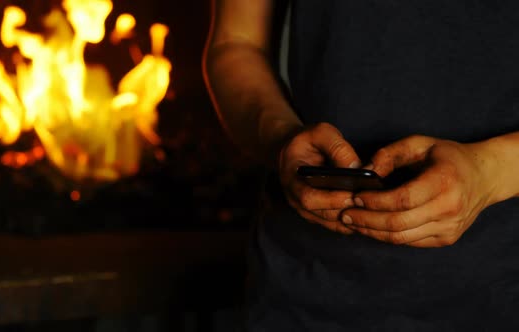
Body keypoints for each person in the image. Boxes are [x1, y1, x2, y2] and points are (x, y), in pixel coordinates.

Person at [203, 0, 519, 330]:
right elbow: (237, 43)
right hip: (304, 293)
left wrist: (491, 173)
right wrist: (282, 138)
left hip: (501, 293)